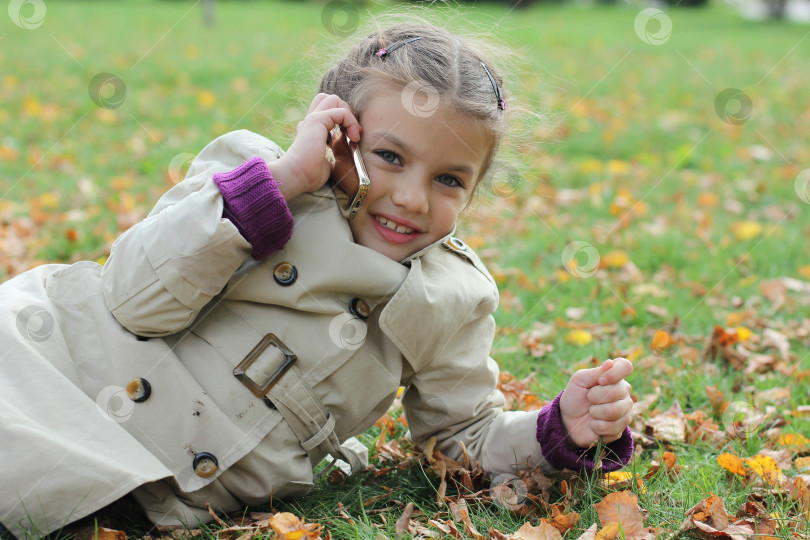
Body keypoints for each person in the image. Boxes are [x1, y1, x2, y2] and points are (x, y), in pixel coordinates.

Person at [0, 18, 634, 538]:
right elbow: (131, 299)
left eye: (449, 180)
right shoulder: (256, 178)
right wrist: (275, 188)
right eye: (389, 157)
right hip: (55, 364)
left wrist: (557, 432)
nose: (412, 198)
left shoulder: (451, 298)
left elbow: (461, 439)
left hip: (155, 478)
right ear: (337, 132)